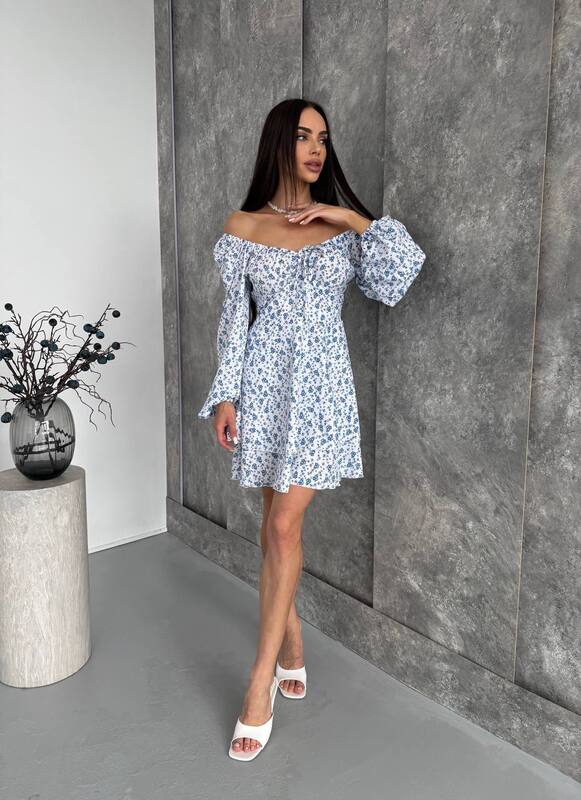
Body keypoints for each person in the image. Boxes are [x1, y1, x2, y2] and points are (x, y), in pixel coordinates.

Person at [198, 98, 426, 761]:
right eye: (302, 136)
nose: (315, 149)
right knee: (276, 525)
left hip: (321, 391)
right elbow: (234, 322)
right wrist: (225, 395)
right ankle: (292, 642)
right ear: (278, 143)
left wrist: (350, 217)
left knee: (281, 526)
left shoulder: (342, 229)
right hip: (264, 385)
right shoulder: (243, 227)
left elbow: (398, 278)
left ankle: (259, 683)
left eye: (322, 138)